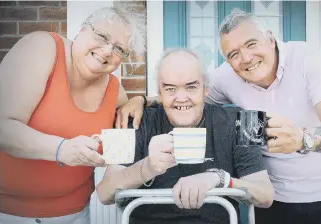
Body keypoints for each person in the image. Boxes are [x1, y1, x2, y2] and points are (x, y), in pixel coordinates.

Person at [116, 8, 321, 224]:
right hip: (270, 200)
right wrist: (142, 100)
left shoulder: (307, 58)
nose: (246, 58)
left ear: (270, 39)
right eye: (233, 54)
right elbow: (184, 91)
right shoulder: (226, 77)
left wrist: (302, 139)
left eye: (251, 44)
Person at [0, 4, 145, 224]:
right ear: (82, 29)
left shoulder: (114, 91)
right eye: (102, 36)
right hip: (7, 213)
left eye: (118, 49)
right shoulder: (42, 48)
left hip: (75, 215)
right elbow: (2, 127)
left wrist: (140, 99)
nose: (107, 51)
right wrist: (61, 149)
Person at [97, 49, 274, 224]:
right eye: (171, 89)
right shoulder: (129, 119)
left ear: (206, 89)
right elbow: (104, 193)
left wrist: (219, 179)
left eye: (191, 87)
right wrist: (147, 167)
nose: (181, 98)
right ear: (160, 93)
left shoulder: (244, 120)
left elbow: (265, 196)